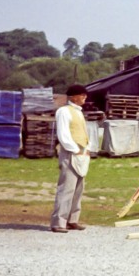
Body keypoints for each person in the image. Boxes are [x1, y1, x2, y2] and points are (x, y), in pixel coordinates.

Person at [50, 84, 91, 233]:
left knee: (78, 189)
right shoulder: (63, 111)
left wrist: (86, 149)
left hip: (81, 154)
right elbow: (63, 134)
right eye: (82, 95)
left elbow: (82, 132)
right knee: (66, 188)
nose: (84, 97)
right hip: (70, 153)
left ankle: (72, 220)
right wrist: (74, 150)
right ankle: (58, 222)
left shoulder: (78, 112)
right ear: (73, 96)